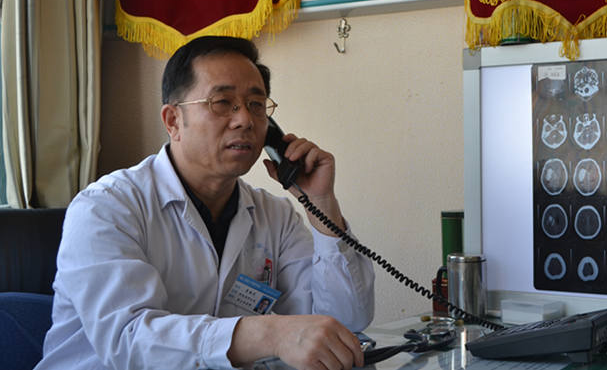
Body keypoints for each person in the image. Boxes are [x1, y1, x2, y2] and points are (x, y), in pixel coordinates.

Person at [36, 36, 375, 370]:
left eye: (256, 105)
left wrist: (321, 204)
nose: (245, 120)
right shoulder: (107, 207)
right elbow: (128, 341)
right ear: (173, 121)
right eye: (223, 102)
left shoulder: (275, 216)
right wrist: (270, 334)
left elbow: (345, 322)